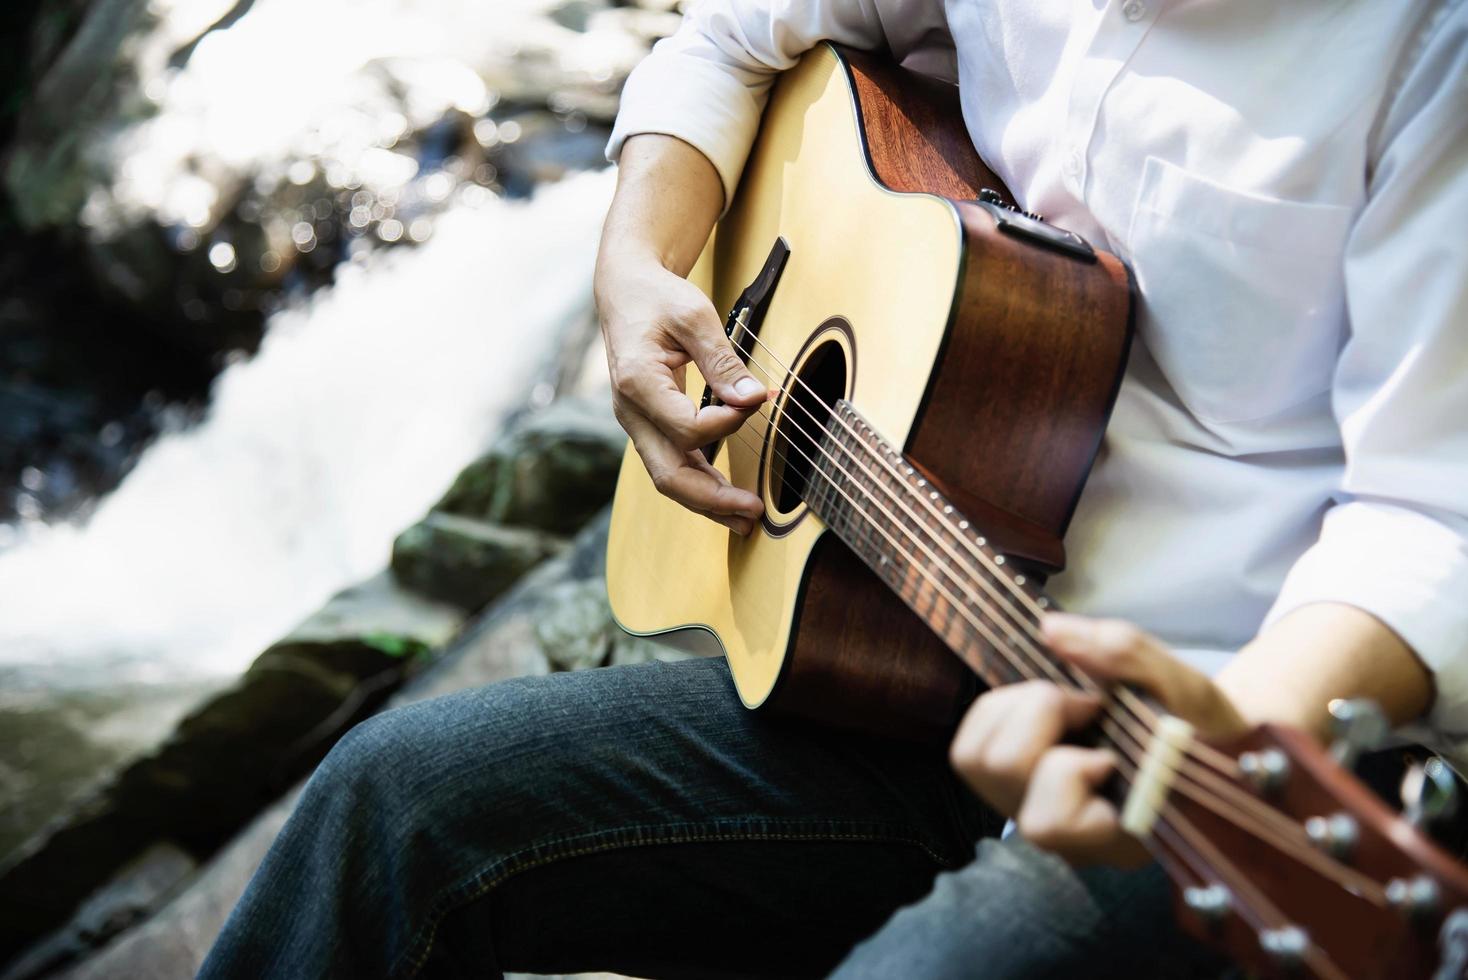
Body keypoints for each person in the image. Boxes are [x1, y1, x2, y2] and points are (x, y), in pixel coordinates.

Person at [200, 1, 1468, 976]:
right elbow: (727, 38)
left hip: (1188, 757)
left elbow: (1436, 514)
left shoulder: (1428, 46)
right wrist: (639, 260)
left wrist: (1235, 719)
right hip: (903, 661)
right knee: (398, 797)